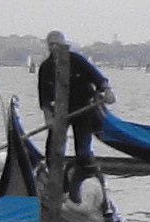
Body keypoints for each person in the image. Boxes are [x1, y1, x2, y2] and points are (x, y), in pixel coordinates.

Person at [35, 32, 112, 181]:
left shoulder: (77, 60)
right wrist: (48, 117)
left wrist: (107, 90)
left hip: (83, 108)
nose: (54, 47)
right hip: (59, 112)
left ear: (64, 44)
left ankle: (87, 179)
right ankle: (56, 181)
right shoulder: (45, 67)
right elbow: (43, 96)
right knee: (52, 150)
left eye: (57, 44)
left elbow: (98, 78)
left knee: (83, 151)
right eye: (51, 44)